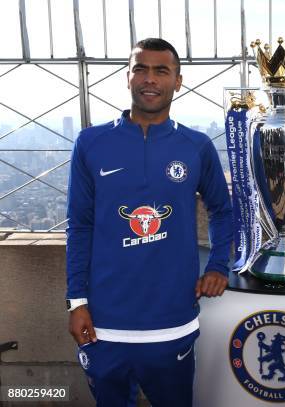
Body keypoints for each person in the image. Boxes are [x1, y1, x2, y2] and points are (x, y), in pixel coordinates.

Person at [65, 38, 232, 406]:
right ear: (128, 78)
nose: (150, 79)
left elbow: (223, 209)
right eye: (140, 69)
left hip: (173, 321)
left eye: (161, 71)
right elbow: (79, 225)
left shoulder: (196, 146)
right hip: (104, 323)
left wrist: (220, 264)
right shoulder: (91, 143)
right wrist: (76, 301)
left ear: (178, 80)